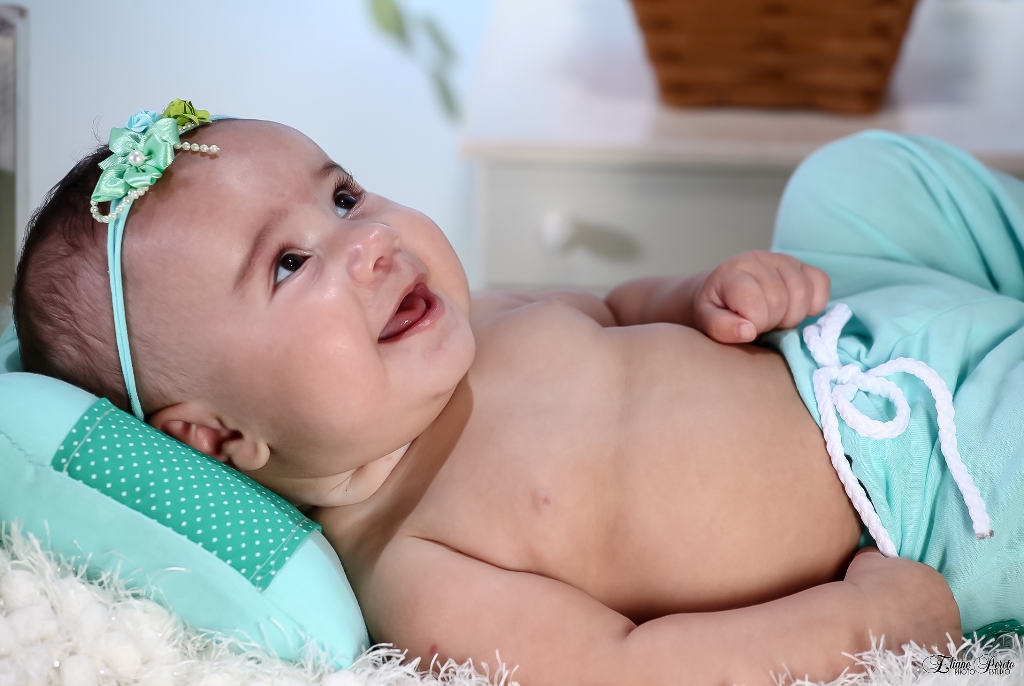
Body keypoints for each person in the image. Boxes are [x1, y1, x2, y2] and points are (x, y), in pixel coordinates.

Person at [14, 106, 1024, 684]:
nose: (369, 240)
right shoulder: (412, 562)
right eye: (288, 263)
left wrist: (713, 293)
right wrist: (863, 624)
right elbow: (627, 670)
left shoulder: (478, 314)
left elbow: (618, 304)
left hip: (853, 324)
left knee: (854, 175)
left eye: (343, 195)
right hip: (930, 479)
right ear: (218, 437)